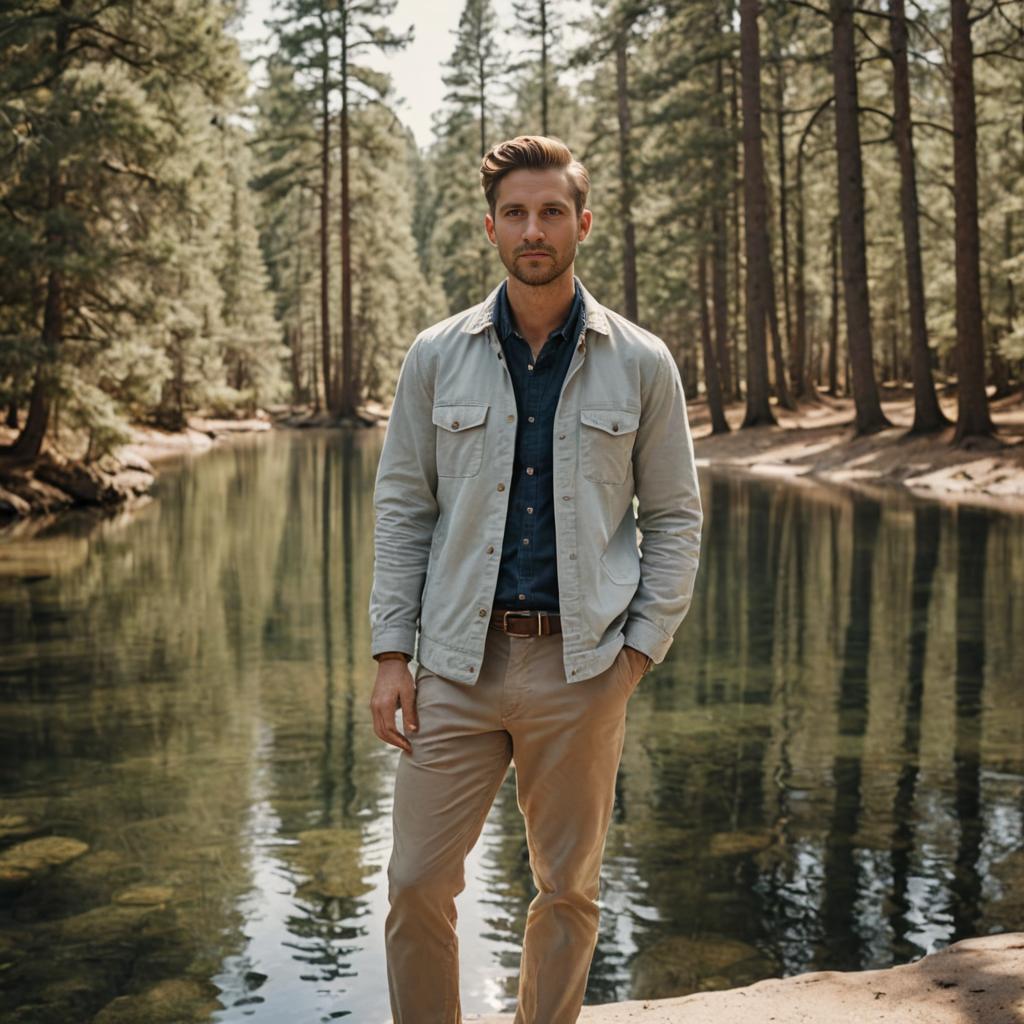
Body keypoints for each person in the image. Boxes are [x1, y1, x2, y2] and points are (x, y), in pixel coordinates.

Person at [368, 135, 703, 1024]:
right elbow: (405, 509)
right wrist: (391, 653)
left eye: (552, 210)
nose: (534, 228)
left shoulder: (641, 362)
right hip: (454, 663)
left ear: (582, 223)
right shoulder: (437, 356)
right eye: (516, 212)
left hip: (583, 668)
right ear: (490, 228)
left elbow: (674, 518)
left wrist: (637, 654)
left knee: (567, 890)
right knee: (415, 883)